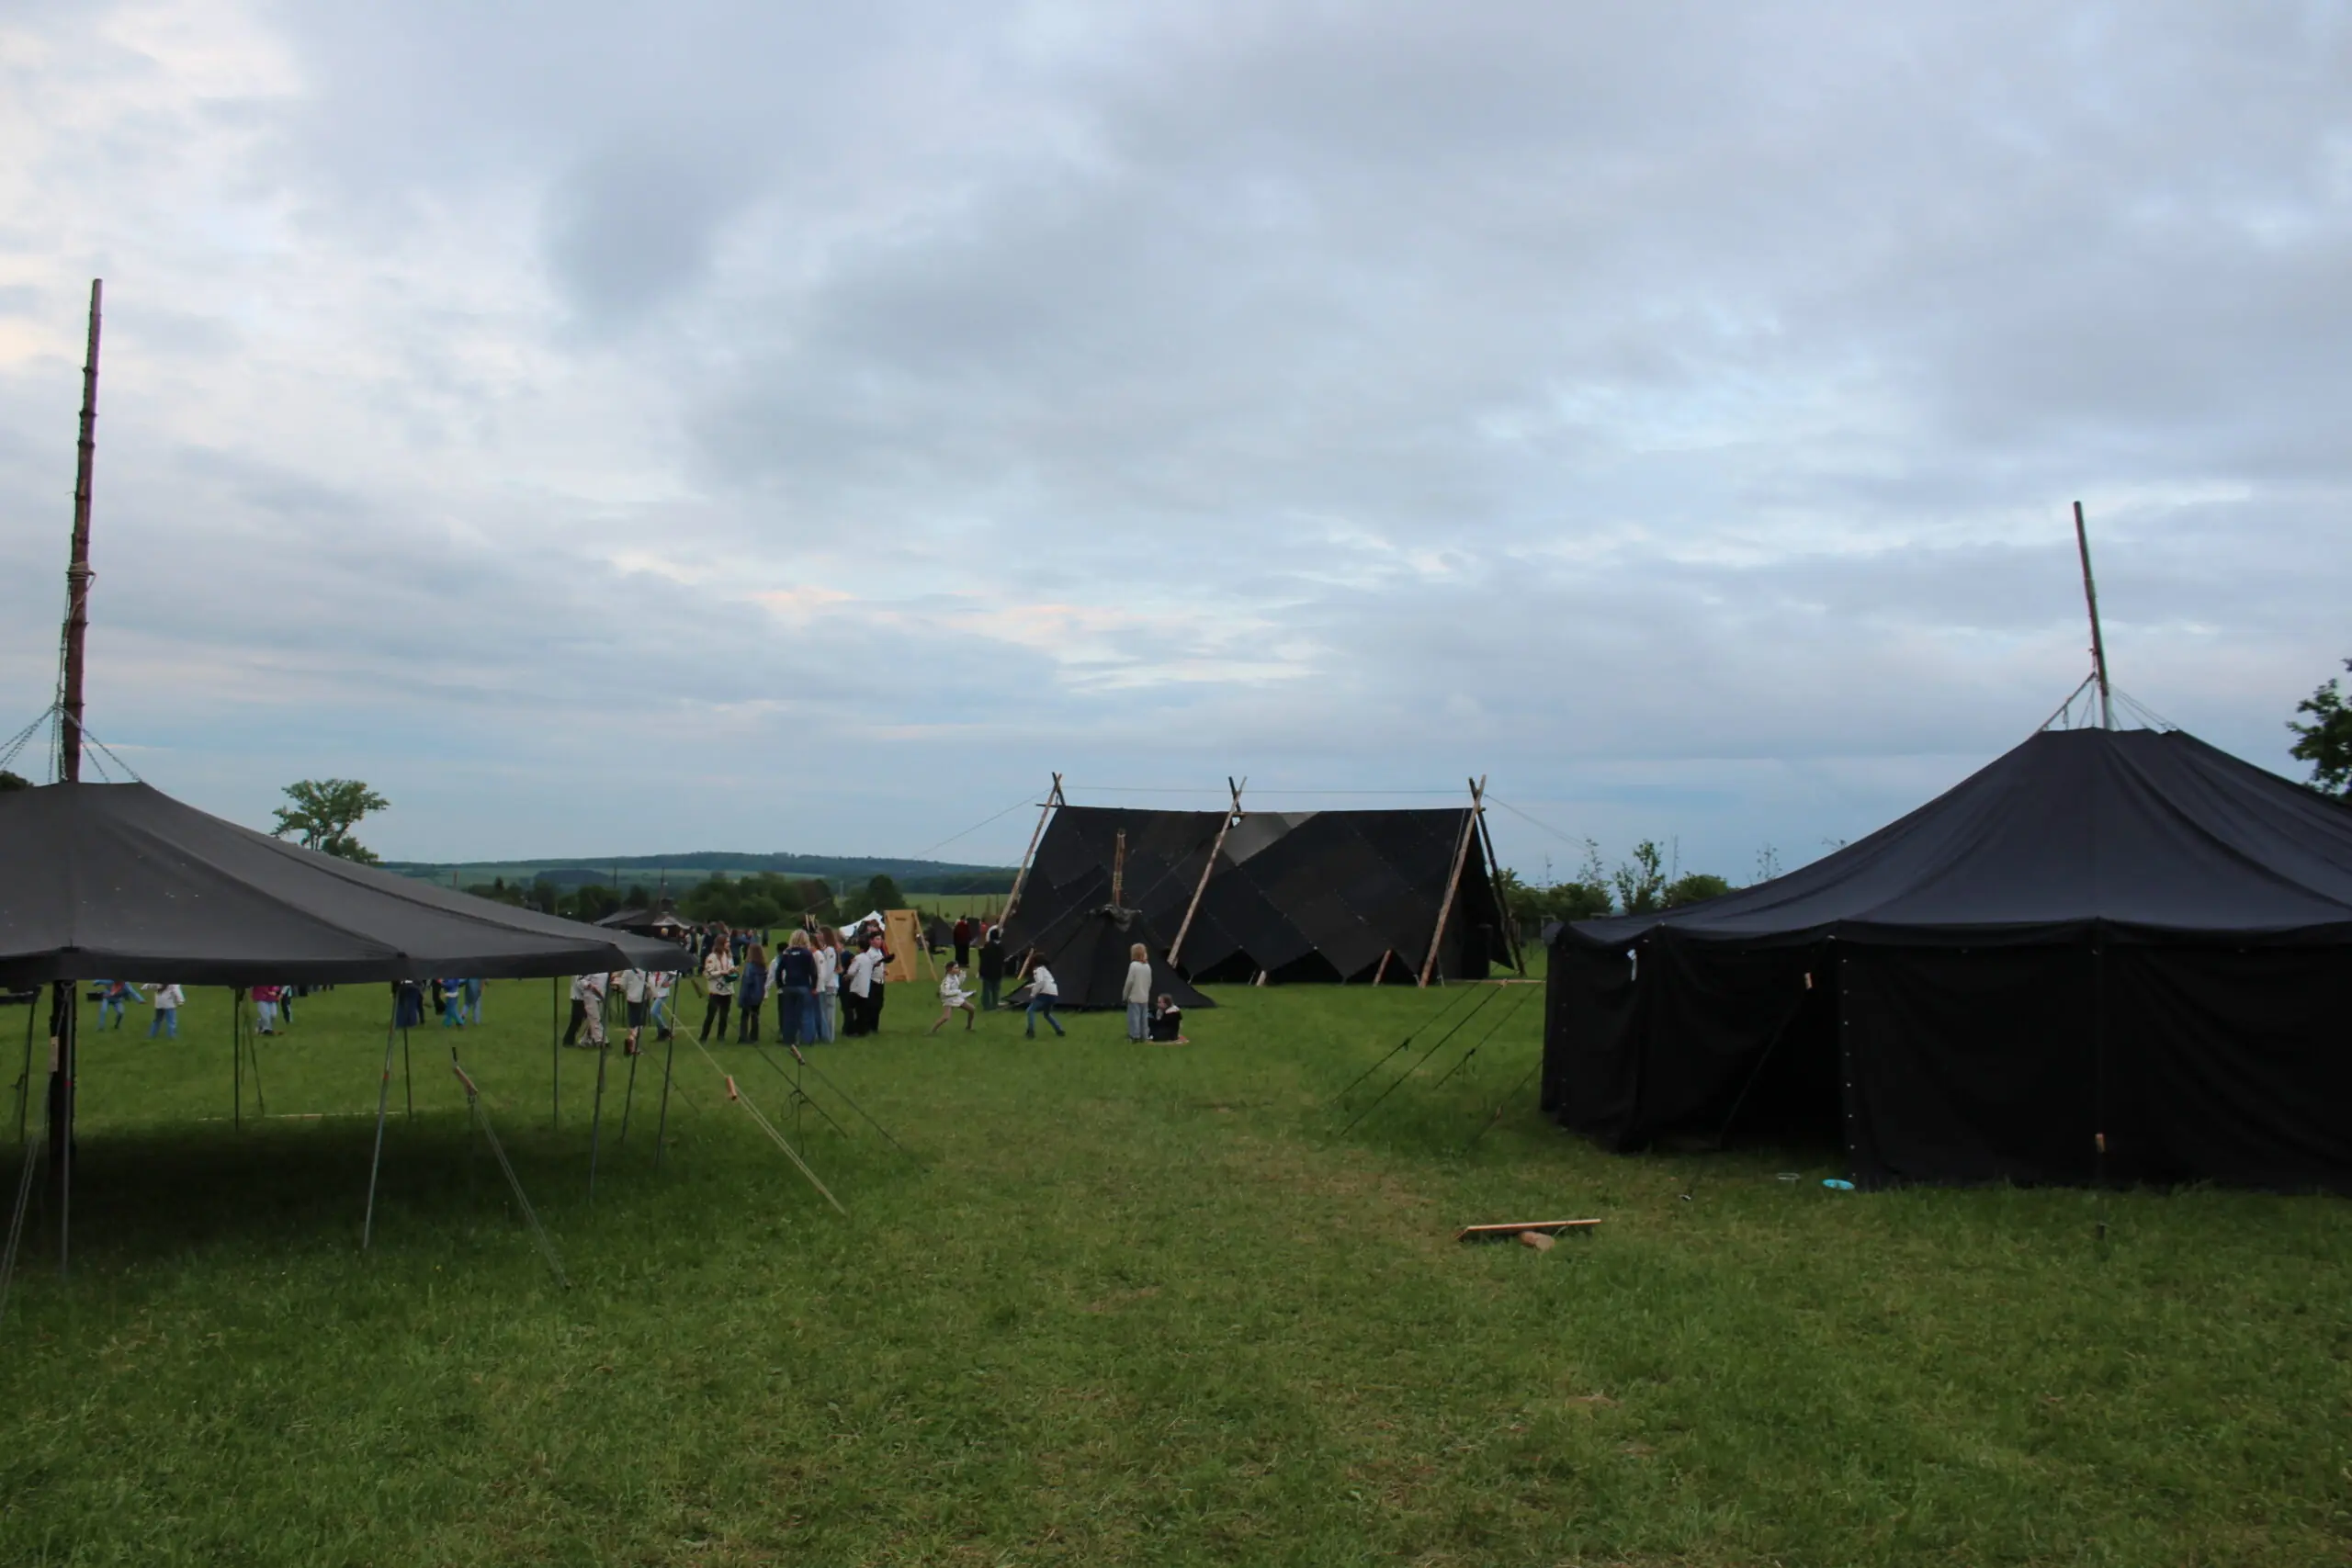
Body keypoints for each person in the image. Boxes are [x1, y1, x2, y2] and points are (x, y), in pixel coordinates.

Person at [775, 931, 817, 1044]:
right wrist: (814, 986)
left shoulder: (786, 953)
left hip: (789, 987)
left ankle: (789, 1039)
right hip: (803, 986)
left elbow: (778, 971)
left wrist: (781, 985)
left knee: (789, 1015)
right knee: (806, 1014)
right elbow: (813, 972)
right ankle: (807, 1039)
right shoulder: (807, 954)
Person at [700, 940, 737, 1042]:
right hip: (715, 990)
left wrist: (732, 970)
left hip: (727, 989)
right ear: (721, 944)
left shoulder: (729, 955)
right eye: (727, 942)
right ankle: (704, 1036)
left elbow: (731, 966)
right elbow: (708, 974)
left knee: (724, 1015)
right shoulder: (712, 957)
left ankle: (721, 1036)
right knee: (711, 1015)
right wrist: (722, 972)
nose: (729, 944)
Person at [928, 962, 978, 1034]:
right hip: (949, 1000)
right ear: (950, 969)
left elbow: (957, 984)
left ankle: (969, 1027)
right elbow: (946, 992)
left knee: (971, 1009)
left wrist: (962, 976)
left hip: (956, 998)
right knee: (946, 1017)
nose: (958, 969)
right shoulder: (947, 980)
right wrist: (959, 992)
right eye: (956, 968)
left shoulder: (954, 976)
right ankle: (932, 1031)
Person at [737, 942, 769, 1043]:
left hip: (749, 995)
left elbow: (746, 982)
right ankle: (754, 1036)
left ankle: (743, 1037)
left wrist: (741, 998)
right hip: (758, 994)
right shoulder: (762, 967)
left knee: (744, 1016)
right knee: (755, 1015)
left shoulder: (749, 967)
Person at [811, 929, 840, 1043]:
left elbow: (828, 970)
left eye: (820, 933)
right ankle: (824, 1035)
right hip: (826, 984)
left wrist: (822, 983)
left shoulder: (830, 950)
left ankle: (829, 1037)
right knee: (824, 1011)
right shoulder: (825, 950)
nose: (817, 935)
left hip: (829, 985)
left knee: (828, 1012)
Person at [1023, 962, 1063, 1038]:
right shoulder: (1045, 970)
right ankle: (1059, 1030)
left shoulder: (1037, 970)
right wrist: (1031, 986)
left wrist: (1032, 994)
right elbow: (1045, 982)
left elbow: (1040, 983)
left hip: (1045, 994)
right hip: (1053, 994)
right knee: (1046, 1014)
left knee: (1030, 1011)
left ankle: (1030, 1032)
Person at [1122, 943, 1152, 1042]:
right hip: (1144, 996)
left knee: (1134, 1017)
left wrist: (1125, 995)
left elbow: (1129, 981)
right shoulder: (1147, 966)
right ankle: (1144, 1035)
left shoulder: (1133, 965)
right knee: (1144, 1018)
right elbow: (1149, 981)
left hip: (1134, 996)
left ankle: (1134, 1036)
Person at [618, 968, 649, 1055]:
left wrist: (628, 990)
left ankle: (633, 1046)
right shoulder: (645, 969)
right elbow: (650, 984)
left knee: (633, 1022)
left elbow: (622, 984)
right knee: (641, 1023)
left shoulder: (627, 970)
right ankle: (632, 1040)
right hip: (641, 998)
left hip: (631, 998)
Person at [563, 973, 596, 1048]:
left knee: (583, 1019)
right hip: (578, 998)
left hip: (582, 996)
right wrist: (588, 985)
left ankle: (586, 1039)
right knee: (577, 1020)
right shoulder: (579, 969)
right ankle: (568, 1041)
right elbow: (579, 981)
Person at [977, 926, 1006, 1011]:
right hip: (997, 971)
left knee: (986, 990)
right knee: (996, 990)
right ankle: (995, 1003)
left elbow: (983, 958)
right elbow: (1003, 959)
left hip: (987, 972)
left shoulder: (987, 946)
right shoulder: (1001, 947)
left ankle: (986, 1005)